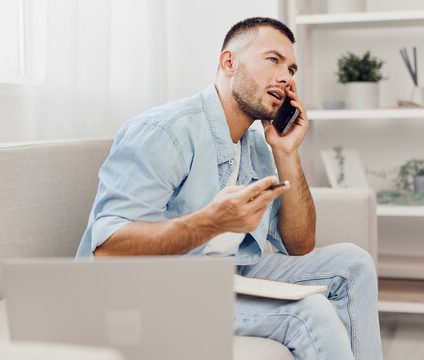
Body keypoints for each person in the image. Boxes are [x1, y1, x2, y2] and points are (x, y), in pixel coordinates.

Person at [76, 17, 382, 360]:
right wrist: (211, 222)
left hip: (230, 274)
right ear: (229, 62)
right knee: (309, 312)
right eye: (273, 60)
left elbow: (300, 245)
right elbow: (107, 250)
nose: (286, 76)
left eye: (292, 69)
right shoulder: (165, 131)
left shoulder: (256, 143)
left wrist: (286, 151)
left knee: (353, 263)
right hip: (152, 291)